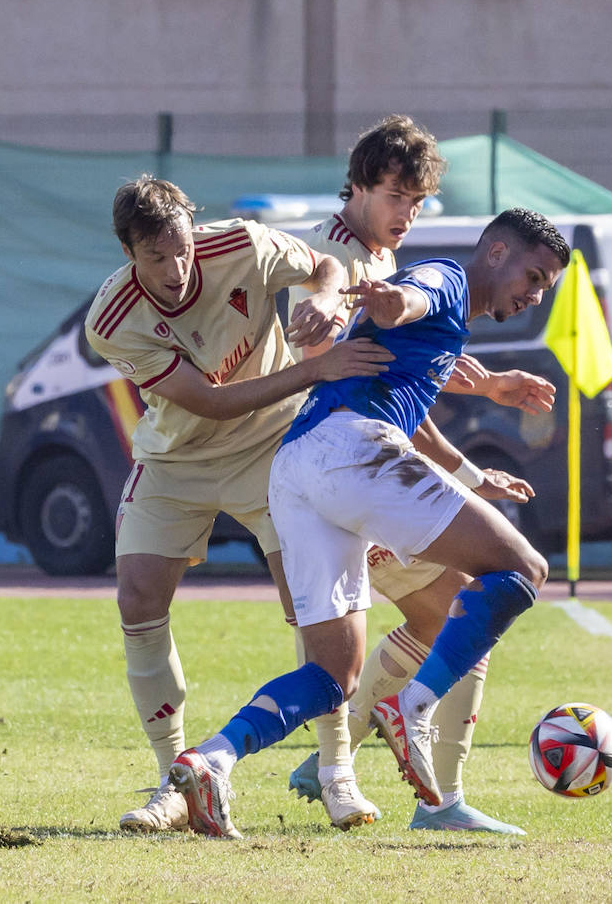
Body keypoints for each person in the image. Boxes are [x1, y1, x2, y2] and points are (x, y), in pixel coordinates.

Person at [168, 207, 570, 837]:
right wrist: (391, 302)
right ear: (495, 252)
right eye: (535, 275)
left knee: (333, 674)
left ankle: (211, 758)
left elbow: (417, 401)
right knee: (523, 569)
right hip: (353, 452)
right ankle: (413, 706)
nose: (535, 294)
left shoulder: (447, 326)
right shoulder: (448, 279)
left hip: (298, 468)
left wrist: (473, 473)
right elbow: (413, 298)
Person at [83, 176, 392, 832]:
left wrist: (328, 302)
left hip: (275, 448)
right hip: (179, 458)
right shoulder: (111, 322)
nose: (176, 268)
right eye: (156, 257)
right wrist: (317, 367)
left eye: (182, 250)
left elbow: (327, 265)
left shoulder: (243, 245)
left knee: (313, 611)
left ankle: (338, 774)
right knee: (138, 598)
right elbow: (212, 401)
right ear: (127, 252)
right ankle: (176, 785)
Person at [282, 115, 556, 834]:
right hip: (329, 468)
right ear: (362, 185)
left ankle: (340, 762)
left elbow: (409, 378)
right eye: (398, 195)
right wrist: (342, 312)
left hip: (339, 461)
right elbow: (363, 354)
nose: (409, 213)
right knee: (474, 607)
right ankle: (422, 791)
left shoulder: (380, 260)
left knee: (455, 619)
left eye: (419, 201)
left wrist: (481, 413)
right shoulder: (330, 258)